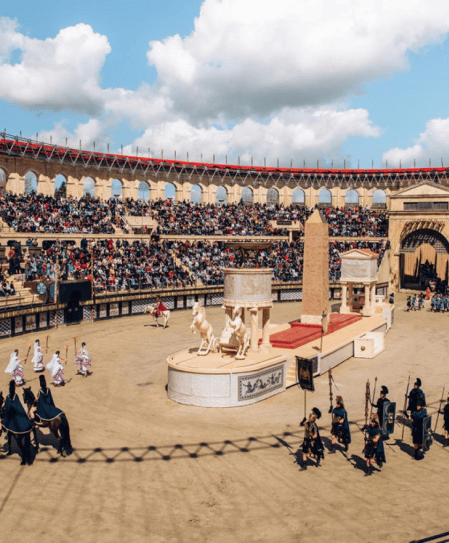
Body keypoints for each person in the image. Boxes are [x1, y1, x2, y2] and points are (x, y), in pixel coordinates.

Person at [1, 380, 33, 464]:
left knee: (5, 424)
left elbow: (7, 410)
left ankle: (23, 457)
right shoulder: (16, 396)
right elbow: (19, 407)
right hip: (20, 417)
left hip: (13, 419)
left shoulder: (8, 397)